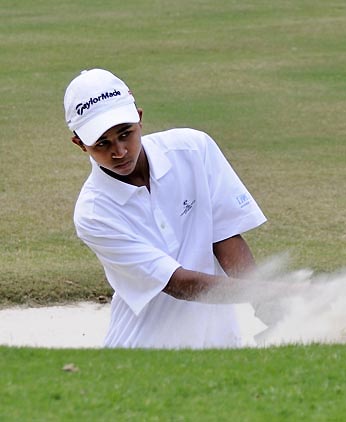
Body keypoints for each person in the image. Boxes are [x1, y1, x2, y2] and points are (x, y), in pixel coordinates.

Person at [64, 68, 268, 348]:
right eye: (102, 143)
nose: (119, 152)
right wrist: (278, 291)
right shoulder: (93, 213)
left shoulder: (193, 149)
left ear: (139, 119)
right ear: (80, 144)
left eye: (125, 134)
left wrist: (267, 303)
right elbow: (179, 284)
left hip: (222, 345)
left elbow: (225, 237)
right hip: (142, 355)